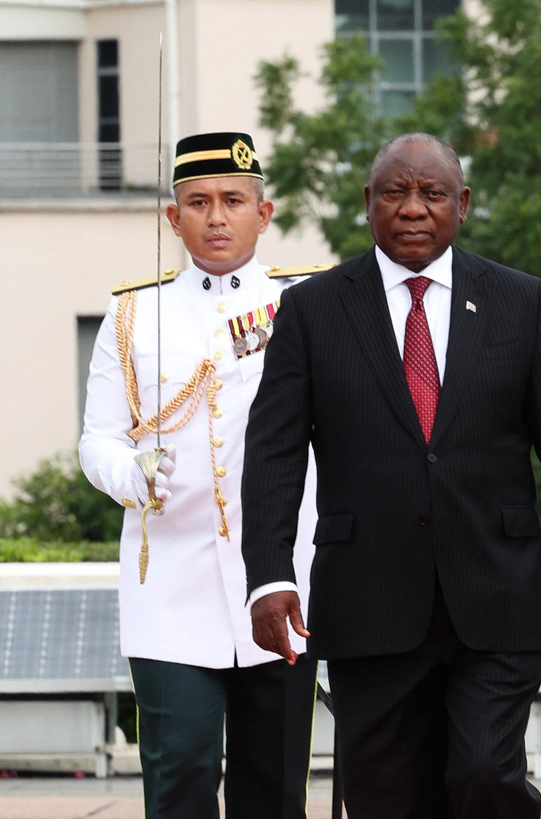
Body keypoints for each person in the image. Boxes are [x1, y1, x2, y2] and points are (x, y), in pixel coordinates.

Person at [241, 133, 541, 819]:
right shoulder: (313, 310)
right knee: (385, 799)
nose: (413, 208)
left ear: (461, 205)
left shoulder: (522, 302)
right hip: (367, 600)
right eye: (395, 192)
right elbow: (273, 454)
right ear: (368, 202)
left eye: (432, 193)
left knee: (485, 773)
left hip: (498, 594)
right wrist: (269, 575)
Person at [78, 131, 323, 819]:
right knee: (180, 768)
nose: (217, 217)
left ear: (263, 213)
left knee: (273, 784)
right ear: (173, 216)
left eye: (233, 201)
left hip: (281, 578)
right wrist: (133, 474)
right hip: (170, 583)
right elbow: (98, 439)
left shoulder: (306, 302)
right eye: (199, 202)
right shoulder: (134, 313)